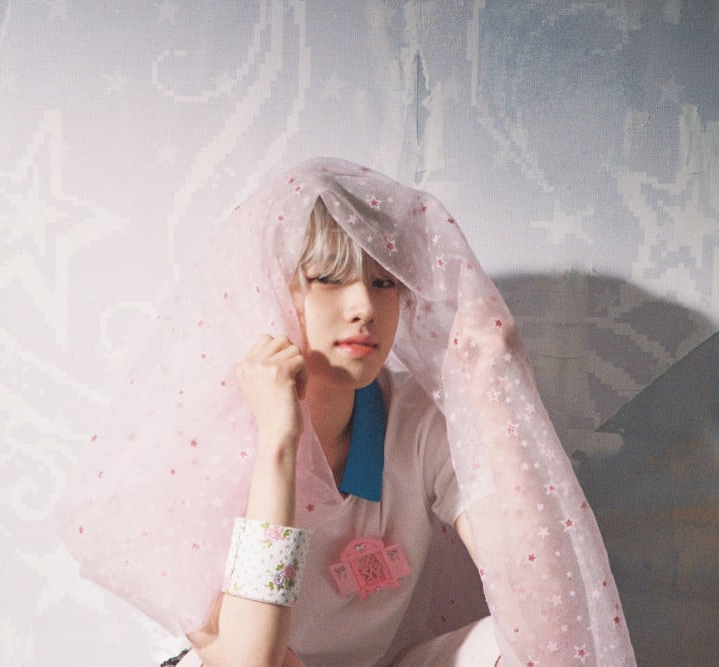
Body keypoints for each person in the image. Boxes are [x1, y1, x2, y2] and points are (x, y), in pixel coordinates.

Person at [56, 158, 636, 666]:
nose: (362, 306)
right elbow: (248, 663)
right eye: (329, 279)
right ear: (274, 290)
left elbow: (553, 627)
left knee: (534, 645)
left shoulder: (416, 420)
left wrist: (492, 391)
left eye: (384, 282)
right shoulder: (206, 434)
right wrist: (279, 444)